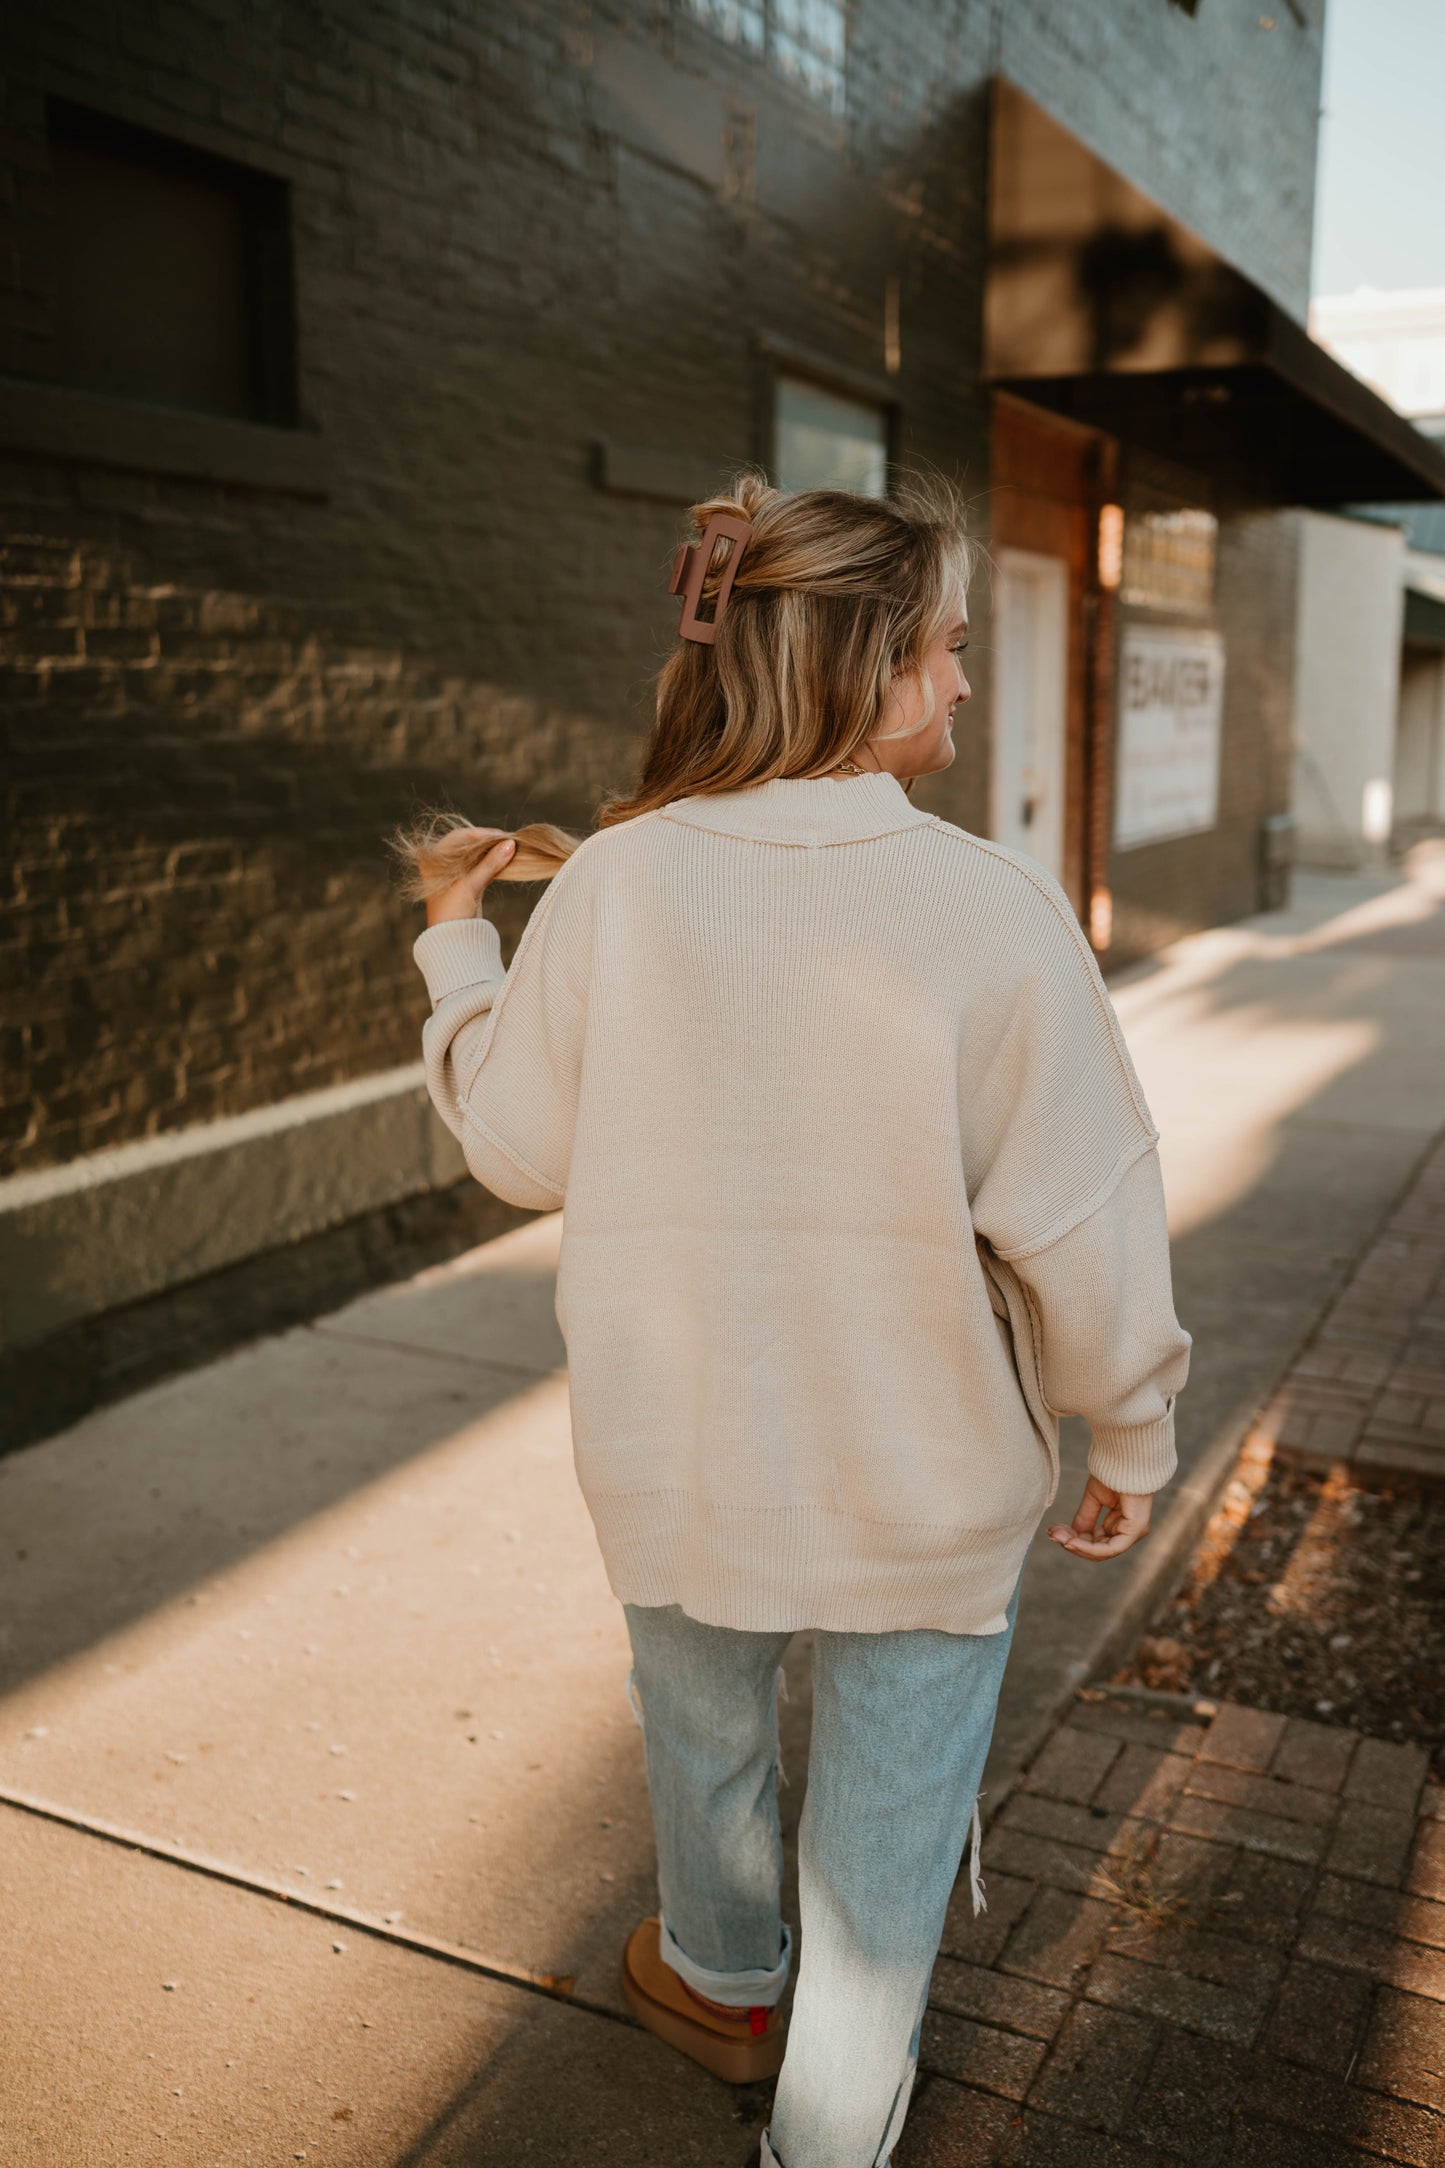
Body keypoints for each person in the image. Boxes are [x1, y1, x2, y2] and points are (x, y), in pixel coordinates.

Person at [400, 473, 1190, 2168]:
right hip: (924, 1482)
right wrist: (1128, 1427)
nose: (966, 684)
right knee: (883, 1869)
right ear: (856, 658)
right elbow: (1085, 1216)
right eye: (946, 649)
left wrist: (457, 949)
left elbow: (517, 1153)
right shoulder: (988, 911)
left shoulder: (613, 885)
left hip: (676, 1464)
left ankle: (713, 1973)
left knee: (698, 1739)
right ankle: (822, 2143)